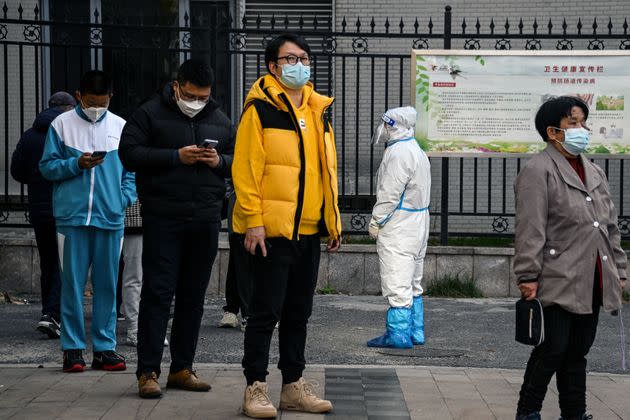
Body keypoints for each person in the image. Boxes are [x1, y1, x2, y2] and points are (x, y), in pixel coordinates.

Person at [232, 33, 341, 418]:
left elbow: (325, 171)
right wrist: (253, 223)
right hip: (272, 233)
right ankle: (255, 388)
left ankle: (293, 386)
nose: (299, 65)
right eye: (290, 59)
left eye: (304, 58)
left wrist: (332, 221)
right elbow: (245, 171)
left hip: (309, 232)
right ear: (273, 67)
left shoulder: (318, 111)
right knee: (265, 313)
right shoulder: (259, 111)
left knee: (299, 313)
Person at [119, 58, 235, 399]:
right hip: (163, 216)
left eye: (203, 96)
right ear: (176, 86)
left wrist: (220, 162)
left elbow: (238, 160)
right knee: (158, 294)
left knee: (193, 297)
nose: (196, 101)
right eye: (190, 94)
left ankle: (182, 367)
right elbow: (128, 153)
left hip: (205, 218)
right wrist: (175, 156)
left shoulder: (220, 120)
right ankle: (148, 371)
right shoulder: (150, 112)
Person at [513, 96, 627, 420]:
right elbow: (530, 229)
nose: (582, 129)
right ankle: (528, 411)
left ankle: (575, 413)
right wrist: (527, 276)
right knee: (552, 348)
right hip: (556, 275)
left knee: (578, 351)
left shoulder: (594, 170)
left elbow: (610, 227)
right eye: (573, 123)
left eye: (583, 122)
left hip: (593, 275)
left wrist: (619, 269)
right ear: (553, 131)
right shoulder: (538, 171)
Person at [39, 71, 136, 373]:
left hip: (111, 218)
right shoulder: (61, 125)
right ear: (79, 96)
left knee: (108, 285)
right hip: (72, 219)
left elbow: (131, 173)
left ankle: (105, 349)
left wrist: (123, 199)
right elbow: (47, 167)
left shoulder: (120, 126)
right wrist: (75, 164)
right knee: (72, 285)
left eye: (103, 102)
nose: (98, 107)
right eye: (92, 102)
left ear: (111, 97)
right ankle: (73, 350)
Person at [10, 92, 76, 339]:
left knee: (48, 262)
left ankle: (48, 314)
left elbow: (17, 171)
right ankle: (52, 314)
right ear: (69, 108)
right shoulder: (67, 134)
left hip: (38, 210)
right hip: (64, 207)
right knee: (65, 262)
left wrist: (36, 180)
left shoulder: (29, 135)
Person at [366, 106, 431, 349]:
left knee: (397, 276)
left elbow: (389, 193)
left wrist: (376, 220)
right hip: (418, 222)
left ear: (393, 125)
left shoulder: (398, 154)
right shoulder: (416, 150)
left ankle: (398, 334)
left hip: (399, 223)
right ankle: (416, 331)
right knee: (413, 279)